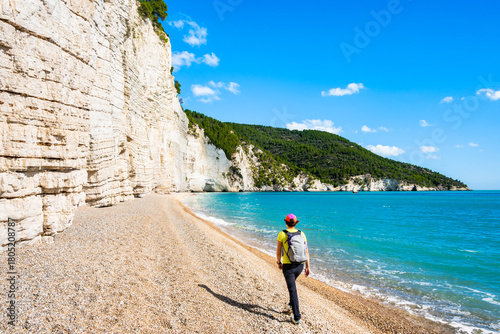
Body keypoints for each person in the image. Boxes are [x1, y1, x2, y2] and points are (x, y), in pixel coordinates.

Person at [276, 213, 310, 325]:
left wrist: (278, 262)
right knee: (292, 286)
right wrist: (307, 267)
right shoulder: (302, 233)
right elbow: (306, 252)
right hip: (300, 265)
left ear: (286, 222)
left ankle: (297, 317)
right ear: (295, 223)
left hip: (288, 266)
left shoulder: (282, 234)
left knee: (292, 289)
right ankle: (291, 304)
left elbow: (278, 252)